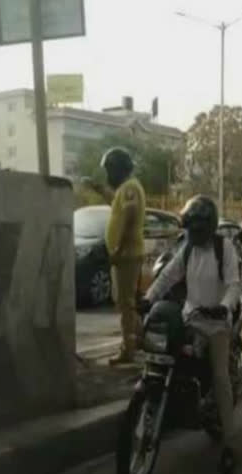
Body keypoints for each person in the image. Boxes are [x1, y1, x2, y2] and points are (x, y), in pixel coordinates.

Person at [144, 195, 239, 474]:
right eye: (189, 229)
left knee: (220, 377)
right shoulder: (187, 249)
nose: (192, 234)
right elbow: (167, 277)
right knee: (165, 354)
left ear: (208, 227)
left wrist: (223, 308)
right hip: (191, 317)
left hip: (217, 323)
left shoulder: (226, 248)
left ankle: (229, 444)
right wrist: (148, 298)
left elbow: (234, 285)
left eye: (196, 229)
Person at [90, 148, 146, 366]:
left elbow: (129, 215)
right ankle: (140, 338)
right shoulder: (127, 188)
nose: (107, 175)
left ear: (117, 169)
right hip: (126, 253)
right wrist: (101, 190)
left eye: (109, 170)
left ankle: (128, 349)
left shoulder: (130, 188)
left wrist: (117, 249)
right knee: (127, 302)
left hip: (127, 254)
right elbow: (117, 203)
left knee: (125, 304)